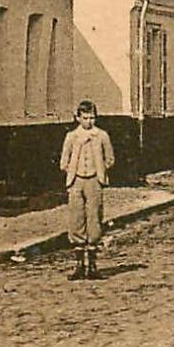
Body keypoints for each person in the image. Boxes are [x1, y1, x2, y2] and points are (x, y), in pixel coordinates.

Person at [60, 99, 117, 280]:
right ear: (78, 118)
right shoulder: (71, 137)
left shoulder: (102, 136)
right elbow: (64, 161)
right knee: (76, 219)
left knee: (94, 218)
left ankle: (92, 266)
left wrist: (100, 169)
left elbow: (110, 159)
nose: (89, 121)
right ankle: (79, 266)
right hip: (76, 181)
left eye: (92, 118)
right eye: (85, 118)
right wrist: (72, 171)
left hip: (94, 181)